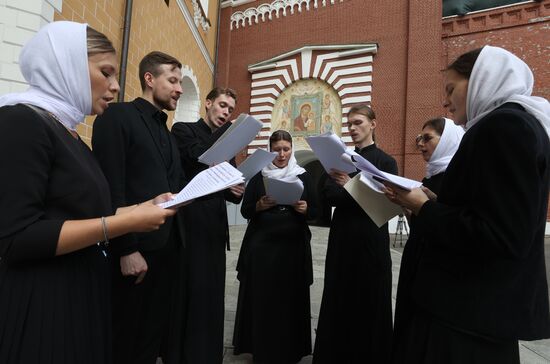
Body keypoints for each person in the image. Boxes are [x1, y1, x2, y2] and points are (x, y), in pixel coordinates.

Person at [0, 21, 176, 364]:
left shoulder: (67, 131)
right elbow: (17, 236)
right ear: (67, 64)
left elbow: (79, 212)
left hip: (81, 289)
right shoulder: (20, 121)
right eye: (106, 72)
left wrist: (143, 208)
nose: (114, 86)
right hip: (44, 302)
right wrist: (124, 224)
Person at [384, 46, 550, 363]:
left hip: (465, 318)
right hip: (478, 316)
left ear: (482, 80)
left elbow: (502, 235)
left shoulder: (503, 128)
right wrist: (433, 202)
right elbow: (487, 210)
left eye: (451, 89)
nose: (445, 101)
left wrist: (425, 208)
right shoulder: (518, 125)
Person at [92, 51, 187, 364]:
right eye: (172, 80)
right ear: (150, 79)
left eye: (180, 82)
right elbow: (110, 187)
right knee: (123, 340)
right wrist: (126, 249)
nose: (179, 89)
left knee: (150, 339)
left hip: (168, 252)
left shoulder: (168, 134)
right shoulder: (116, 116)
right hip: (135, 254)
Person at [313, 104, 398, 363]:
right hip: (343, 238)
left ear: (373, 124)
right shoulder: (342, 159)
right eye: (349, 124)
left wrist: (349, 186)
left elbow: (388, 202)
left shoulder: (386, 161)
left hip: (371, 239)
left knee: (369, 298)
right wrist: (353, 190)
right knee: (340, 296)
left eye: (358, 122)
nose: (352, 128)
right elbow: (328, 195)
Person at [171, 87, 245, 363]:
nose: (225, 112)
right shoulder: (184, 130)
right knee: (191, 289)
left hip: (215, 226)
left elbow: (225, 185)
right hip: (189, 224)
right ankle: (182, 353)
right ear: (208, 103)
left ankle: (207, 353)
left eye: (230, 109)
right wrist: (229, 136)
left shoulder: (228, 148)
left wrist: (235, 190)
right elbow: (199, 158)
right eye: (222, 105)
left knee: (211, 292)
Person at [232, 130, 316, 363]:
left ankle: (290, 349)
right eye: (276, 149)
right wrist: (258, 205)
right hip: (262, 248)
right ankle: (262, 348)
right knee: (263, 300)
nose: (281, 154)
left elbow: (317, 212)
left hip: (293, 248)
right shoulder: (260, 176)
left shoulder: (303, 175)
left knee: (289, 299)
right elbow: (245, 209)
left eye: (286, 149)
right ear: (270, 150)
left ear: (292, 150)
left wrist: (305, 209)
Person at [391, 117, 463, 362]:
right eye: (420, 138)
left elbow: (455, 226)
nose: (420, 144)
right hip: (417, 257)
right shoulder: (428, 178)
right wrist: (408, 208)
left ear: (448, 141)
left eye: (428, 138)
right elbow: (422, 224)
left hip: (439, 268)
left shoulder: (458, 178)